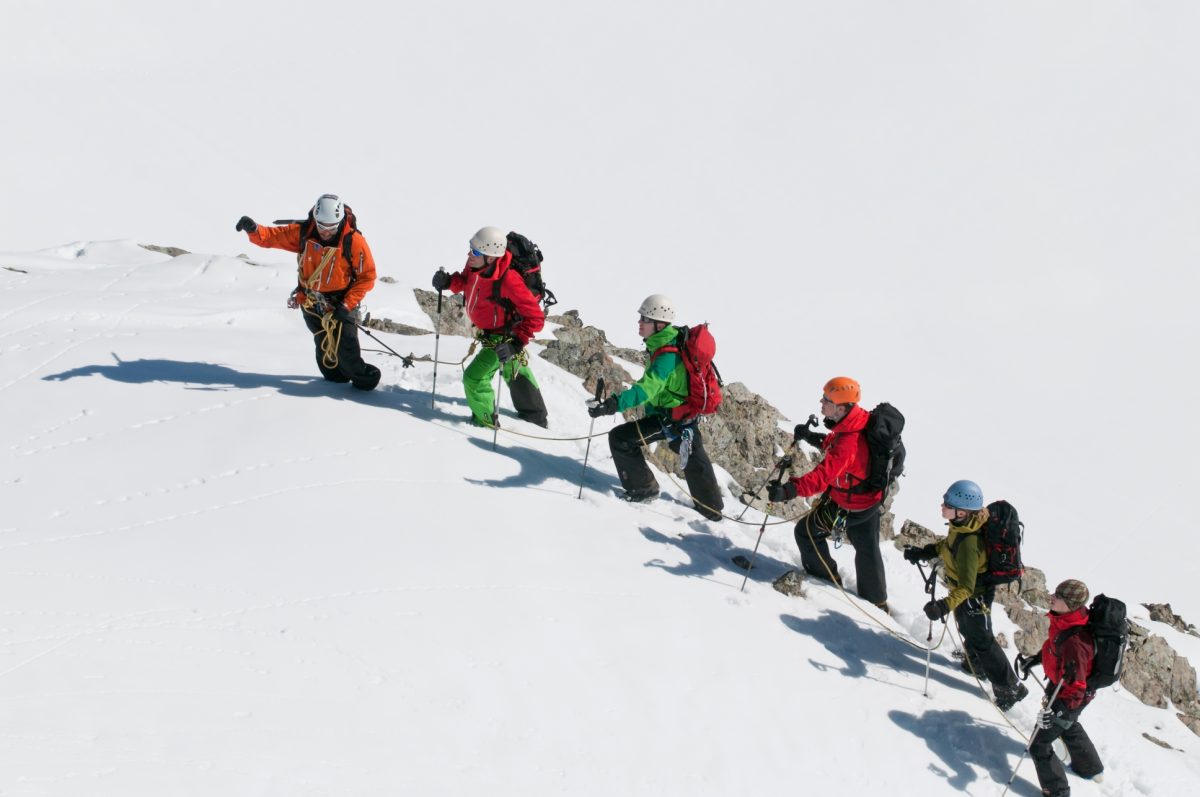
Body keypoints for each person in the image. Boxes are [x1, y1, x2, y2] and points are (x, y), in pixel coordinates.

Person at [586, 294, 724, 521]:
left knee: (622, 439)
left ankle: (647, 491)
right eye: (641, 317)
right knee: (693, 459)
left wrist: (614, 404)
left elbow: (647, 389)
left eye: (646, 319)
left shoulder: (667, 356)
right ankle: (711, 509)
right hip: (674, 416)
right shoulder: (665, 343)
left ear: (660, 324)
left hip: (674, 420)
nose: (640, 322)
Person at [904, 480, 1029, 711]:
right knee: (967, 629)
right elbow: (948, 544)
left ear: (961, 512)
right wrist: (925, 552)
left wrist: (943, 606)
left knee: (983, 640)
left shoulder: (970, 542)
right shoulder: (961, 526)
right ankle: (975, 666)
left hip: (975, 597)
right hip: (965, 596)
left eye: (947, 504)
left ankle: (1010, 688)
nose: (942, 506)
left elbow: (967, 588)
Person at [236, 194, 380, 390]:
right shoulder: (304, 232)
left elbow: (367, 276)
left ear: (340, 222)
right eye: (321, 226)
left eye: (331, 227)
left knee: (346, 349)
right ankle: (335, 378)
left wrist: (347, 305)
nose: (326, 232)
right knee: (324, 348)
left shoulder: (353, 241)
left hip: (341, 302)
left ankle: (366, 381)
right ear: (315, 219)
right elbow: (272, 236)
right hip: (311, 301)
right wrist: (253, 229)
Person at [766, 377, 887, 609]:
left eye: (827, 400)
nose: (821, 402)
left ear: (840, 407)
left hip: (849, 504)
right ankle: (878, 603)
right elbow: (836, 444)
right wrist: (811, 437)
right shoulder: (857, 421)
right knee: (867, 549)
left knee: (806, 533)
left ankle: (828, 583)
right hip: (869, 500)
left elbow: (823, 476)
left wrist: (789, 490)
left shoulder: (849, 441)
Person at [431, 226, 547, 428]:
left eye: (475, 252)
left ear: (491, 257)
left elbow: (536, 317)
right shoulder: (475, 265)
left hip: (503, 337)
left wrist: (515, 344)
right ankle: (535, 416)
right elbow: (465, 282)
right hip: (490, 333)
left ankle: (485, 423)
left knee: (473, 379)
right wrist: (449, 282)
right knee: (514, 368)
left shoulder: (509, 280)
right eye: (471, 249)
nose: (469, 255)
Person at [1017, 578, 1105, 796]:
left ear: (1071, 604)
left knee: (1039, 744)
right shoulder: (1065, 621)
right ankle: (1090, 768)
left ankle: (1057, 792)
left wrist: (1059, 711)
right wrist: (1036, 659)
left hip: (1070, 696)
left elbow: (1077, 686)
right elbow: (1054, 648)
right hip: (1062, 687)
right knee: (1068, 725)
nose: (1052, 597)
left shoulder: (1076, 641)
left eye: (1058, 596)